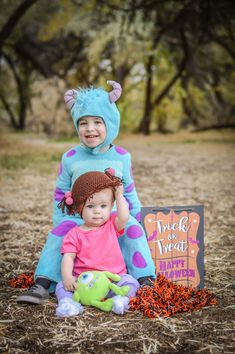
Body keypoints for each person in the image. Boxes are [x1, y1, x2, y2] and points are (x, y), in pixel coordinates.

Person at [17, 80, 155, 305]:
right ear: (76, 126)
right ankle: (42, 283)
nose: (90, 129)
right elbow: (61, 192)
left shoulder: (122, 156)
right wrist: (61, 219)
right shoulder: (71, 157)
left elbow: (129, 191)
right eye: (83, 123)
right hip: (78, 215)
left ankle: (146, 279)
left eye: (97, 122)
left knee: (132, 228)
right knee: (61, 232)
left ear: (110, 122)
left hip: (110, 216)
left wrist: (136, 217)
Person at [55, 170, 139, 317]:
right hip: (85, 282)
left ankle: (121, 300)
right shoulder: (74, 234)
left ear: (111, 205)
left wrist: (119, 195)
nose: (97, 212)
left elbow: (124, 217)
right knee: (61, 286)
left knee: (131, 282)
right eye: (90, 206)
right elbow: (68, 257)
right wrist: (68, 277)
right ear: (79, 207)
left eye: (103, 206)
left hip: (112, 279)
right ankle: (68, 304)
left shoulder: (112, 225)